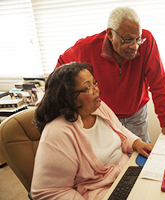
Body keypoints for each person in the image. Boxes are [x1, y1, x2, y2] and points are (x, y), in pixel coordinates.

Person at [55, 6, 165, 143]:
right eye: (128, 40)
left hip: (136, 113)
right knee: (111, 156)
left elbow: (158, 83)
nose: (134, 46)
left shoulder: (147, 42)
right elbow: (61, 67)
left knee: (141, 155)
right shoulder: (86, 48)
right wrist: (53, 99)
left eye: (137, 39)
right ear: (110, 34)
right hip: (104, 115)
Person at [31, 62, 153, 199]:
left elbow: (120, 130)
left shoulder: (98, 107)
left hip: (126, 173)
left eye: (94, 83)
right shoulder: (57, 132)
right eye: (87, 88)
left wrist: (136, 143)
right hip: (101, 190)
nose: (96, 90)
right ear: (68, 97)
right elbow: (49, 191)